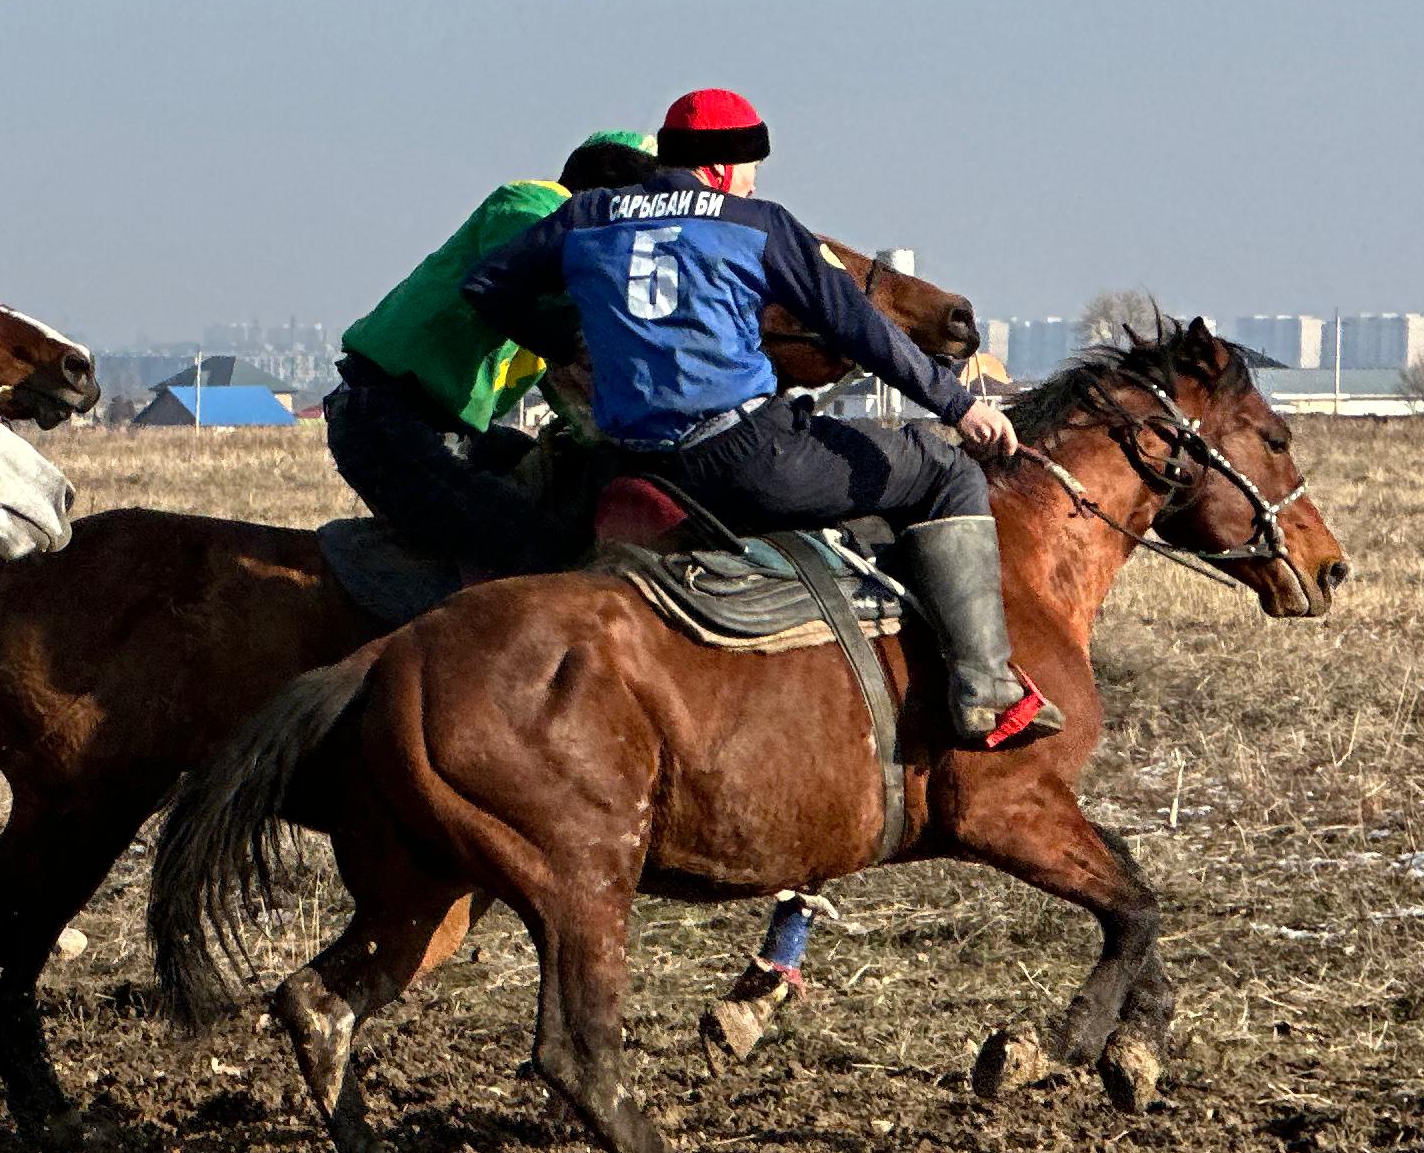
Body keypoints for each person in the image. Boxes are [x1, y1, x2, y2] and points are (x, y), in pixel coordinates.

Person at [463, 87, 1053, 748]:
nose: (751, 181)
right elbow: (861, 331)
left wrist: (567, 341)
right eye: (750, 167)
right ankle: (985, 690)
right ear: (721, 166)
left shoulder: (588, 217)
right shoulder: (757, 222)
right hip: (743, 460)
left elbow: (484, 286)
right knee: (944, 470)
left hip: (626, 466)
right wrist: (957, 404)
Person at [324, 129, 657, 574]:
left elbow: (574, 390)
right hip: (387, 419)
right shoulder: (533, 205)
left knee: (570, 501)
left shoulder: (561, 286)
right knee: (530, 544)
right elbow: (555, 304)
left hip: (447, 430)